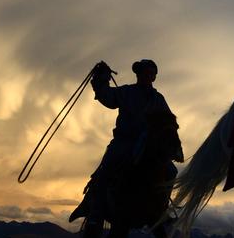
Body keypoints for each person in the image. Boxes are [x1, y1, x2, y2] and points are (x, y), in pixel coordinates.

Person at [74, 59, 175, 224]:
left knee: (171, 171)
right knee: (105, 171)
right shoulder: (126, 92)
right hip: (124, 142)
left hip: (147, 146)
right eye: (144, 73)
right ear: (138, 74)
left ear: (154, 77)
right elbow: (107, 97)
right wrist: (101, 79)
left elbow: (168, 122)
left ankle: (161, 209)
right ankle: (94, 211)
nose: (147, 76)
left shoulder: (158, 99)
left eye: (150, 74)